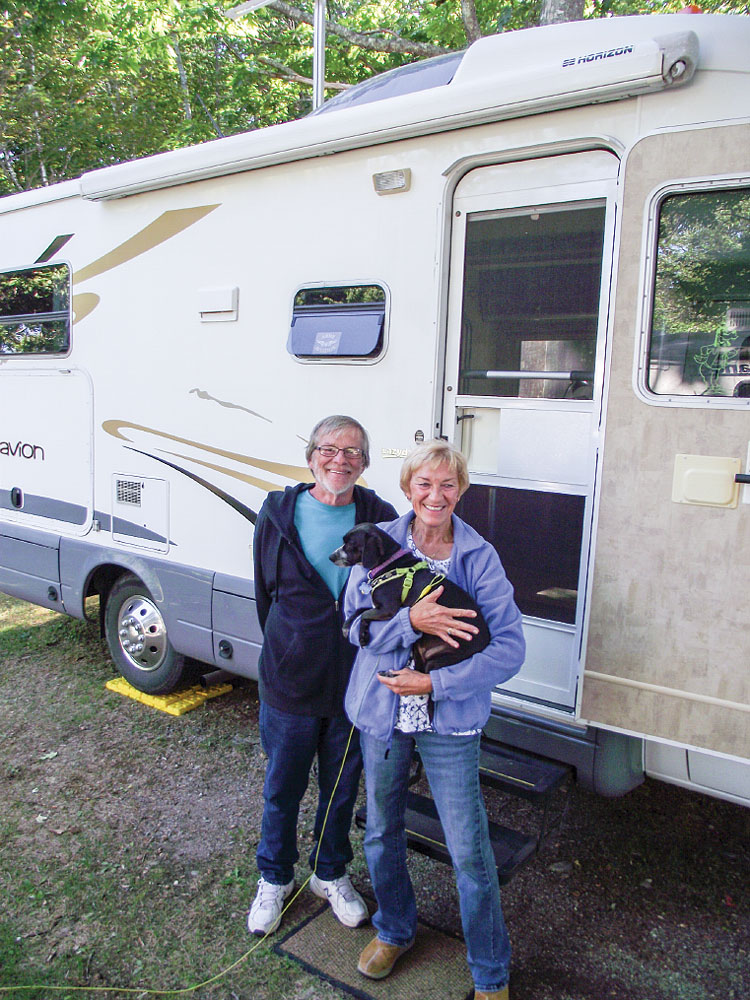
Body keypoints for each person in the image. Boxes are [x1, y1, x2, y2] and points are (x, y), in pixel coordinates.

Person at [343, 440, 525, 1000]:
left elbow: (510, 649)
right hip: (384, 712)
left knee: (469, 849)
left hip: (450, 721)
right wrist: (410, 623)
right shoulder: (381, 542)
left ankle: (490, 971)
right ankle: (395, 929)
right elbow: (353, 625)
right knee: (381, 831)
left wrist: (435, 682)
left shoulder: (479, 555)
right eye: (424, 483)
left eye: (448, 484)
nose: (435, 495)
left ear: (461, 490)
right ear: (407, 490)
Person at [248, 415, 398, 937]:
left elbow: (396, 584)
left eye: (353, 452)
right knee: (282, 786)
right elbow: (265, 592)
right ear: (311, 457)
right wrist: (290, 644)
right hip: (290, 679)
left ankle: (329, 873)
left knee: (341, 787)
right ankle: (275, 876)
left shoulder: (379, 515)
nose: (341, 460)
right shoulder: (278, 513)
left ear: (365, 463)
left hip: (356, 682)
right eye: (330, 450)